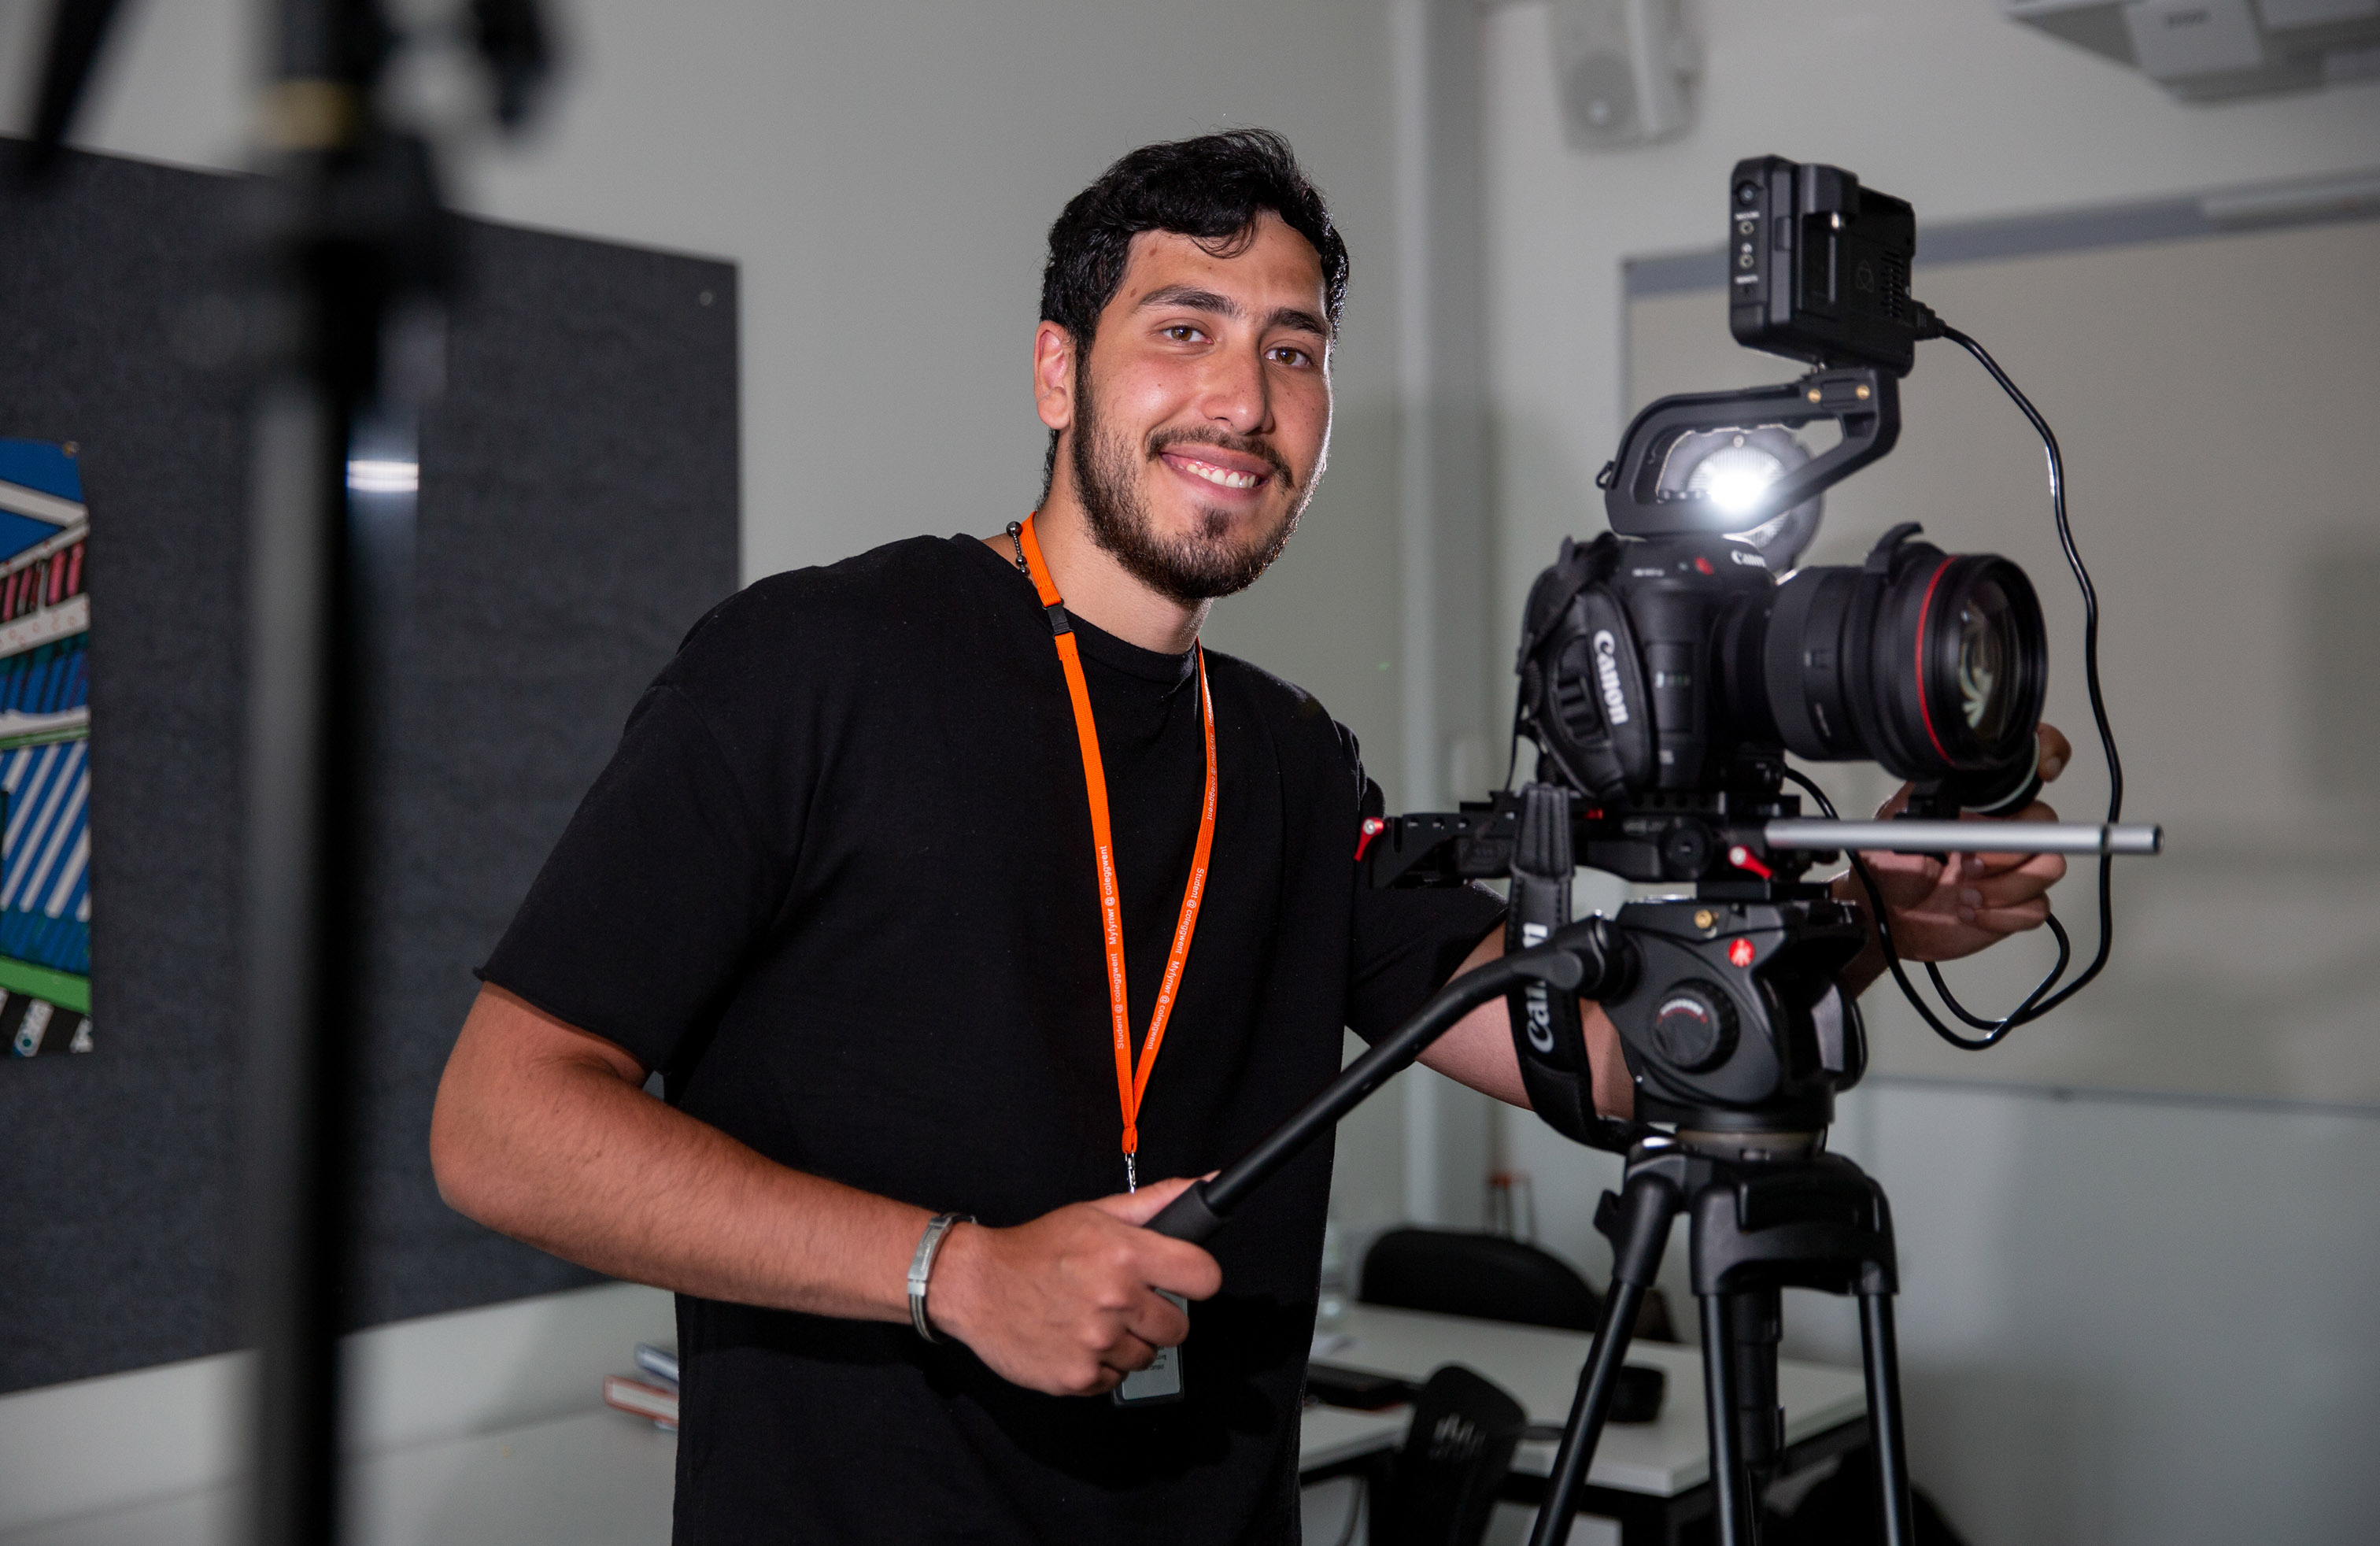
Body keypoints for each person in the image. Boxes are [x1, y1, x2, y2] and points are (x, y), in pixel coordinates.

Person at [428, 130, 2069, 1544]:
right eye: (1186, 325)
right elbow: (500, 1124)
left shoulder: (1288, 759)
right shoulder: (811, 664)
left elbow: (1605, 1056)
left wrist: (1874, 916)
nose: (1242, 395)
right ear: (1059, 368)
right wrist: (955, 1271)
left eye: (1292, 349)